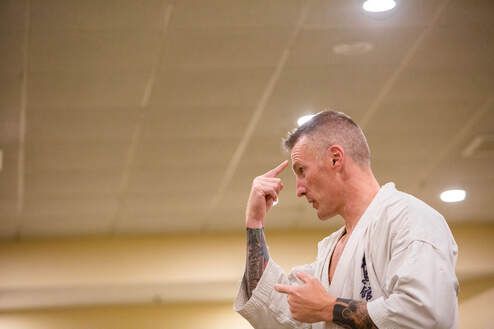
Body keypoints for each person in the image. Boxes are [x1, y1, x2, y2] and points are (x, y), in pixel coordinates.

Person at [234, 110, 459, 329]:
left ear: (335, 159)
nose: (299, 190)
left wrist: (329, 308)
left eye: (302, 170)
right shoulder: (331, 250)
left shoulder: (411, 219)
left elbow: (425, 315)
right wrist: (255, 223)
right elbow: (274, 309)